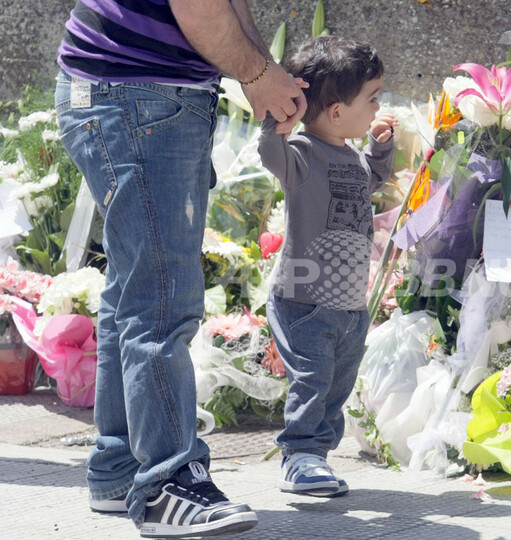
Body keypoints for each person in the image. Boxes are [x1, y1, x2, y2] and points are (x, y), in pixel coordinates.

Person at [54, 0, 306, 537]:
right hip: (136, 95)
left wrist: (263, 71)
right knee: (160, 299)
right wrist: (258, 74)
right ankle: (167, 485)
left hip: (132, 91)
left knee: (135, 290)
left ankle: (120, 467)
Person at [258, 35, 397, 497]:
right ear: (337, 112)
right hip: (305, 300)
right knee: (313, 378)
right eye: (372, 99)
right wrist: (276, 121)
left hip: (349, 304)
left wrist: (379, 147)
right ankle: (299, 456)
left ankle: (316, 455)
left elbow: (370, 179)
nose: (377, 107)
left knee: (337, 382)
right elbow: (271, 154)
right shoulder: (301, 154)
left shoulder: (352, 157)